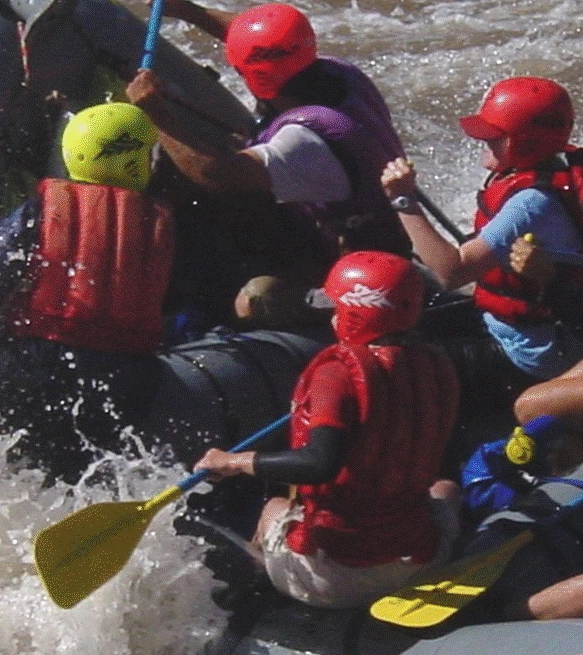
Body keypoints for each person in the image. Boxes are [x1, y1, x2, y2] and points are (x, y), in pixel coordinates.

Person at [0, 101, 174, 481]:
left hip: (33, 367)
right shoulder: (162, 222)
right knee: (84, 478)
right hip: (123, 380)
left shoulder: (45, 211)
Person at [192, 251, 461, 609]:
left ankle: (256, 601)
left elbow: (319, 463)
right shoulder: (434, 364)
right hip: (418, 561)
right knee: (445, 489)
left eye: (336, 309)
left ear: (355, 312)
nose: (332, 317)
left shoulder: (335, 375)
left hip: (335, 575)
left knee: (273, 507)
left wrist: (233, 461)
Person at [125, 0, 411, 291]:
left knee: (257, 295)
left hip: (358, 266)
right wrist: (186, 10)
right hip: (365, 211)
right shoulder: (338, 72)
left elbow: (216, 175)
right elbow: (267, 45)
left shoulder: (301, 142)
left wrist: (155, 113)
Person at [381, 77, 583, 404]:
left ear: (526, 145)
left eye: (494, 137)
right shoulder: (545, 170)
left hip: (531, 352)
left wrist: (403, 201)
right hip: (507, 326)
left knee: (404, 368)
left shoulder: (532, 203)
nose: (482, 142)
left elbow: (452, 273)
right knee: (403, 325)